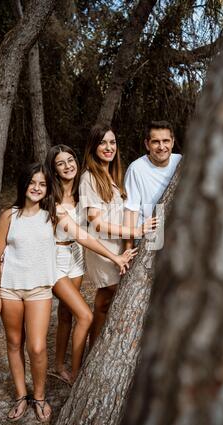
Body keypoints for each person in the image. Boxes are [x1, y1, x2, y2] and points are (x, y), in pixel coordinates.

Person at [45, 144, 137, 385]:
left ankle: (58, 364)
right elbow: (82, 234)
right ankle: (76, 374)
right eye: (61, 163)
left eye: (71, 160)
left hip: (76, 259)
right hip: (55, 260)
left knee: (66, 313)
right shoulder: (50, 198)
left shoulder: (79, 193)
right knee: (85, 315)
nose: (68, 166)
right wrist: (115, 257)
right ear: (54, 170)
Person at [0, 163, 57, 423]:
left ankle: (39, 396)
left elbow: (84, 236)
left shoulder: (53, 216)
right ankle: (20, 395)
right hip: (10, 290)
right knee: (14, 343)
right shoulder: (9, 216)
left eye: (42, 184)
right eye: (32, 182)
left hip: (39, 290)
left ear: (48, 189)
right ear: (24, 185)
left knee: (36, 347)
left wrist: (116, 255)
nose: (36, 187)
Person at [79, 124, 158, 348]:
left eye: (112, 142)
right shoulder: (89, 177)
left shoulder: (112, 174)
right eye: (103, 142)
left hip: (119, 245)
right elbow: (96, 222)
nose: (108, 147)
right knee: (112, 297)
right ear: (93, 146)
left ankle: (94, 350)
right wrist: (136, 231)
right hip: (104, 249)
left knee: (104, 302)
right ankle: (96, 350)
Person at [124, 120, 182, 248]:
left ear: (172, 142)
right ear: (147, 144)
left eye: (166, 141)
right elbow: (131, 212)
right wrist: (127, 250)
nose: (161, 147)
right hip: (148, 240)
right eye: (156, 142)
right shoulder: (136, 169)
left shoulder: (181, 163)